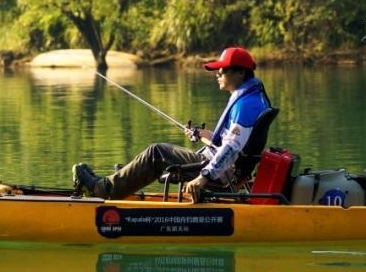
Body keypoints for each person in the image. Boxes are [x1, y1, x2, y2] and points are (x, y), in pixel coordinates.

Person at [72, 47, 271, 202]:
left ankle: (103, 189)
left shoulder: (244, 105)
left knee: (156, 152)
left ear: (240, 73)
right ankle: (124, 178)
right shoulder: (253, 98)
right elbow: (233, 141)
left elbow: (231, 148)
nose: (217, 74)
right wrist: (202, 134)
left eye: (223, 70)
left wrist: (204, 177)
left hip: (219, 174)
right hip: (226, 170)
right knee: (156, 156)